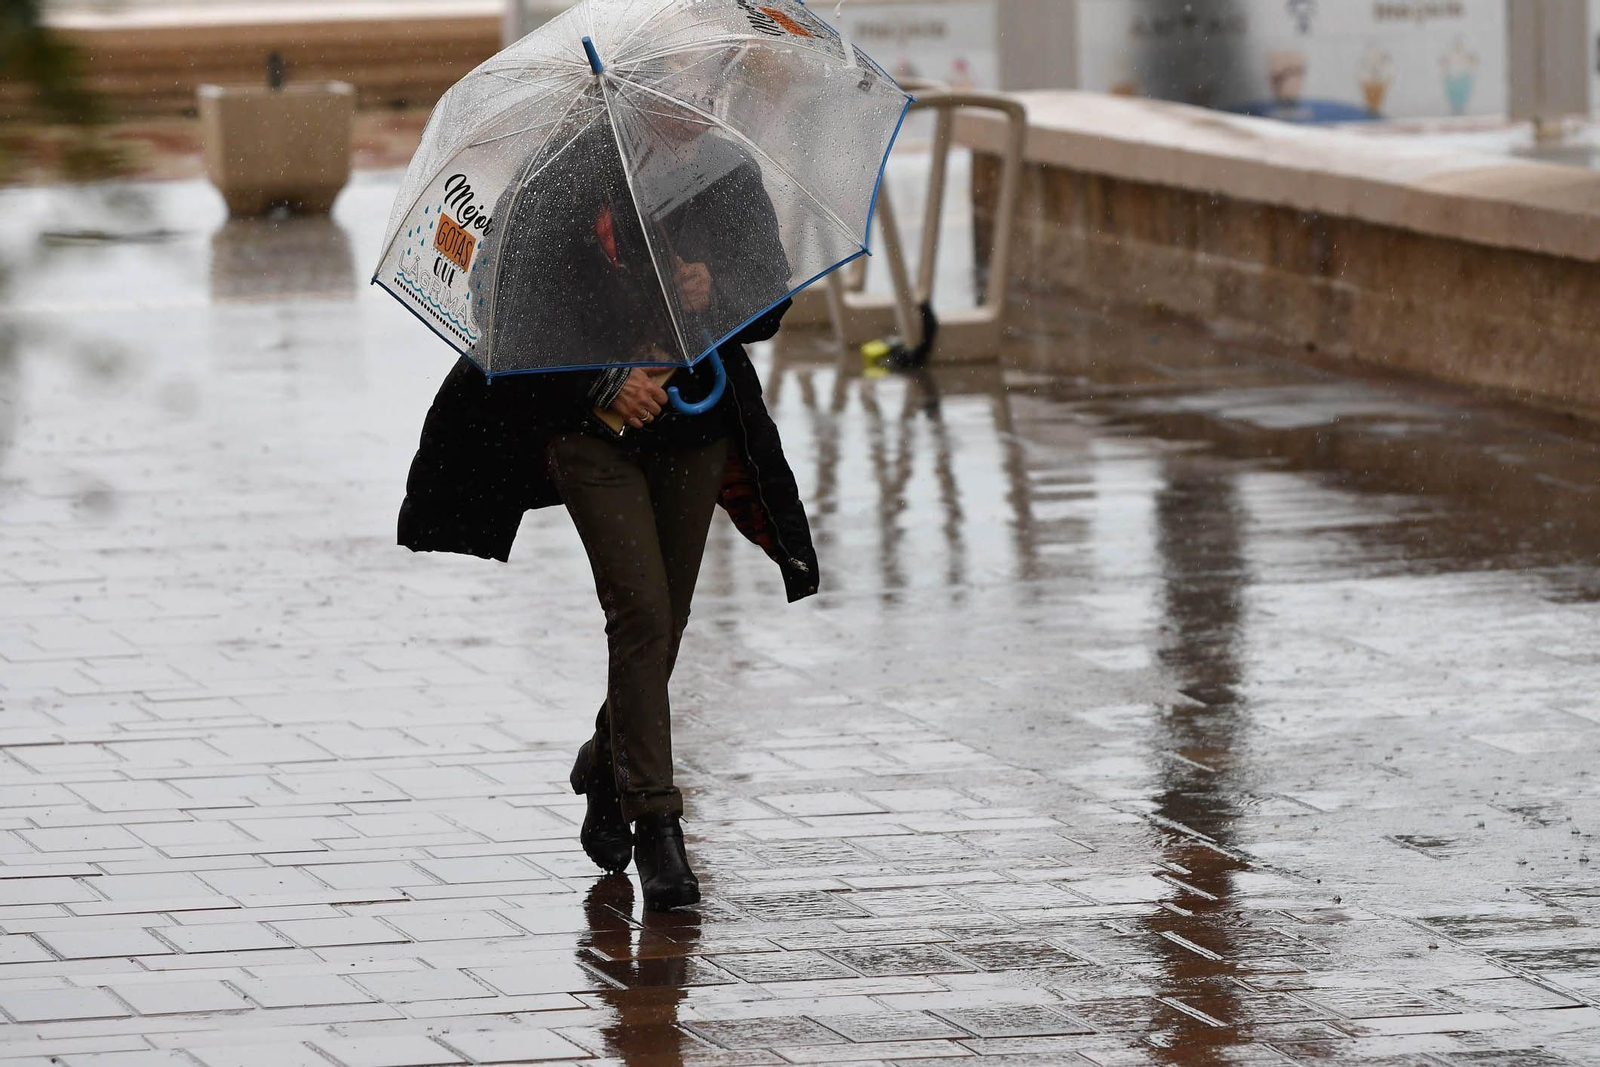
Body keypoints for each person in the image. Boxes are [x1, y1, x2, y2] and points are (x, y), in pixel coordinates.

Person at [396, 101, 818, 911]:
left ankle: (606, 759)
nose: (693, 98)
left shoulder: (724, 169)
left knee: (670, 615)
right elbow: (500, 304)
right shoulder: (565, 170)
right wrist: (601, 383)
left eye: (702, 80)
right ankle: (658, 824)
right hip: (586, 429)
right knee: (639, 612)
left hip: (693, 425)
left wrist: (715, 288)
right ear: (641, 89)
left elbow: (768, 300)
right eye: (677, 82)